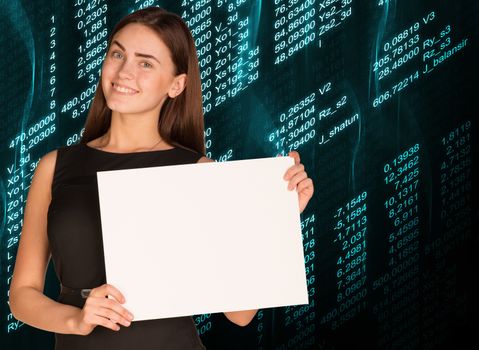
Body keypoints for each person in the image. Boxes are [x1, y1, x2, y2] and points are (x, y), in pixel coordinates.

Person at [9, 6, 314, 350]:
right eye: (117, 54)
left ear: (176, 85)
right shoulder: (54, 166)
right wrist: (76, 320)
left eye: (145, 63)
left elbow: (239, 314)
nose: (124, 71)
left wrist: (279, 218)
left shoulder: (199, 172)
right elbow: (21, 295)